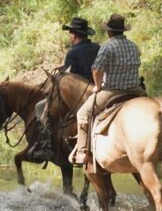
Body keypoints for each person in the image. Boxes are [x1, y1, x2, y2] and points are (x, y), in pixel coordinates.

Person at [69, 13, 145, 166]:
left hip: (113, 91)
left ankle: (82, 152)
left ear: (110, 31)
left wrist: (97, 86)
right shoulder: (133, 46)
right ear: (123, 31)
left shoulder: (107, 47)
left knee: (83, 113)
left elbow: (97, 69)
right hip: (137, 91)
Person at [29, 17, 100, 161]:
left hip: (77, 95)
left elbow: (68, 80)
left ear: (74, 35)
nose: (69, 36)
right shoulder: (97, 48)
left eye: (70, 33)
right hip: (98, 90)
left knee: (40, 107)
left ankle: (46, 146)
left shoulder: (72, 53)